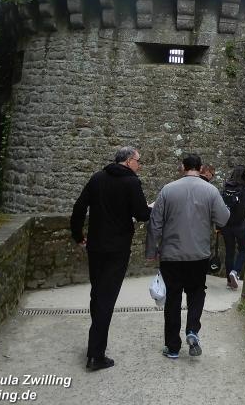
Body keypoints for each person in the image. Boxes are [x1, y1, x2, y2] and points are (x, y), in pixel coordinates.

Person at [70, 146, 151, 371]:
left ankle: (95, 341)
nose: (140, 165)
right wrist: (152, 208)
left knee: (97, 294)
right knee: (106, 298)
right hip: (117, 248)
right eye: (138, 161)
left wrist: (78, 235)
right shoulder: (131, 182)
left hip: (95, 246)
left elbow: (79, 207)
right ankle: (95, 355)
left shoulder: (97, 178)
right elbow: (142, 214)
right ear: (127, 161)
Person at [146, 154, 230, 358]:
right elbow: (223, 219)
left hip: (171, 255)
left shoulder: (168, 190)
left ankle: (173, 347)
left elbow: (155, 223)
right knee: (196, 293)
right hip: (198, 255)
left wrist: (151, 251)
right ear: (201, 169)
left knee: (172, 299)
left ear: (182, 167)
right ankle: (192, 329)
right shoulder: (210, 191)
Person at [220, 166, 245, 290]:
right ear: (244, 176)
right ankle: (235, 272)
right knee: (242, 250)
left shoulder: (225, 188)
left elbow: (219, 208)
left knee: (229, 252)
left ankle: (229, 282)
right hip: (241, 226)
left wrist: (218, 226)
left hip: (226, 225)